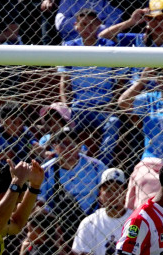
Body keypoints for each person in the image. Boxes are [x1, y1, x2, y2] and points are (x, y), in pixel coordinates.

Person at [58, 9, 121, 163]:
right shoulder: (69, 47)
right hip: (79, 107)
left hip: (103, 106)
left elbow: (120, 80)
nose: (87, 28)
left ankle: (103, 163)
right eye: (84, 24)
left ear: (99, 25)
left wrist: (113, 104)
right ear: (76, 25)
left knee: (113, 123)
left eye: (92, 24)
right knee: (62, 123)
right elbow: (64, 81)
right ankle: (77, 161)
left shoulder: (108, 47)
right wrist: (66, 105)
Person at [38, 125, 106, 241]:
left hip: (92, 219)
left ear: (79, 146)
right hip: (59, 223)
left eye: (72, 143)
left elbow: (107, 194)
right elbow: (40, 203)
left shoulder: (96, 166)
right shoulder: (46, 170)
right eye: (63, 144)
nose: (68, 148)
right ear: (55, 147)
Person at [71, 168, 131, 255]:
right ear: (100, 194)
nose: (113, 195)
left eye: (117, 189)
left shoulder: (135, 221)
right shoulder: (90, 222)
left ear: (125, 193)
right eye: (108, 190)